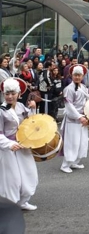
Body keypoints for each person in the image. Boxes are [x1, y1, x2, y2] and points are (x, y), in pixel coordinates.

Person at [0, 78, 38, 210]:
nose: (10, 96)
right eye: (7, 93)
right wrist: (9, 144)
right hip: (8, 149)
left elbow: (31, 123)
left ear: (18, 93)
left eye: (12, 93)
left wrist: (33, 109)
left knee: (29, 174)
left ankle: (23, 201)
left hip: (23, 146)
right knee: (12, 180)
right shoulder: (1, 110)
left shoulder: (22, 106)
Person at [60, 64, 89, 173]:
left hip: (82, 119)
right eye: (75, 75)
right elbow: (69, 106)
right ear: (72, 76)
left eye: (79, 75)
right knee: (72, 143)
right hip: (73, 120)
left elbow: (87, 99)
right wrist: (79, 117)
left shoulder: (83, 87)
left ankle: (74, 162)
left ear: (82, 76)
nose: (77, 77)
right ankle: (65, 165)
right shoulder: (68, 89)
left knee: (81, 143)